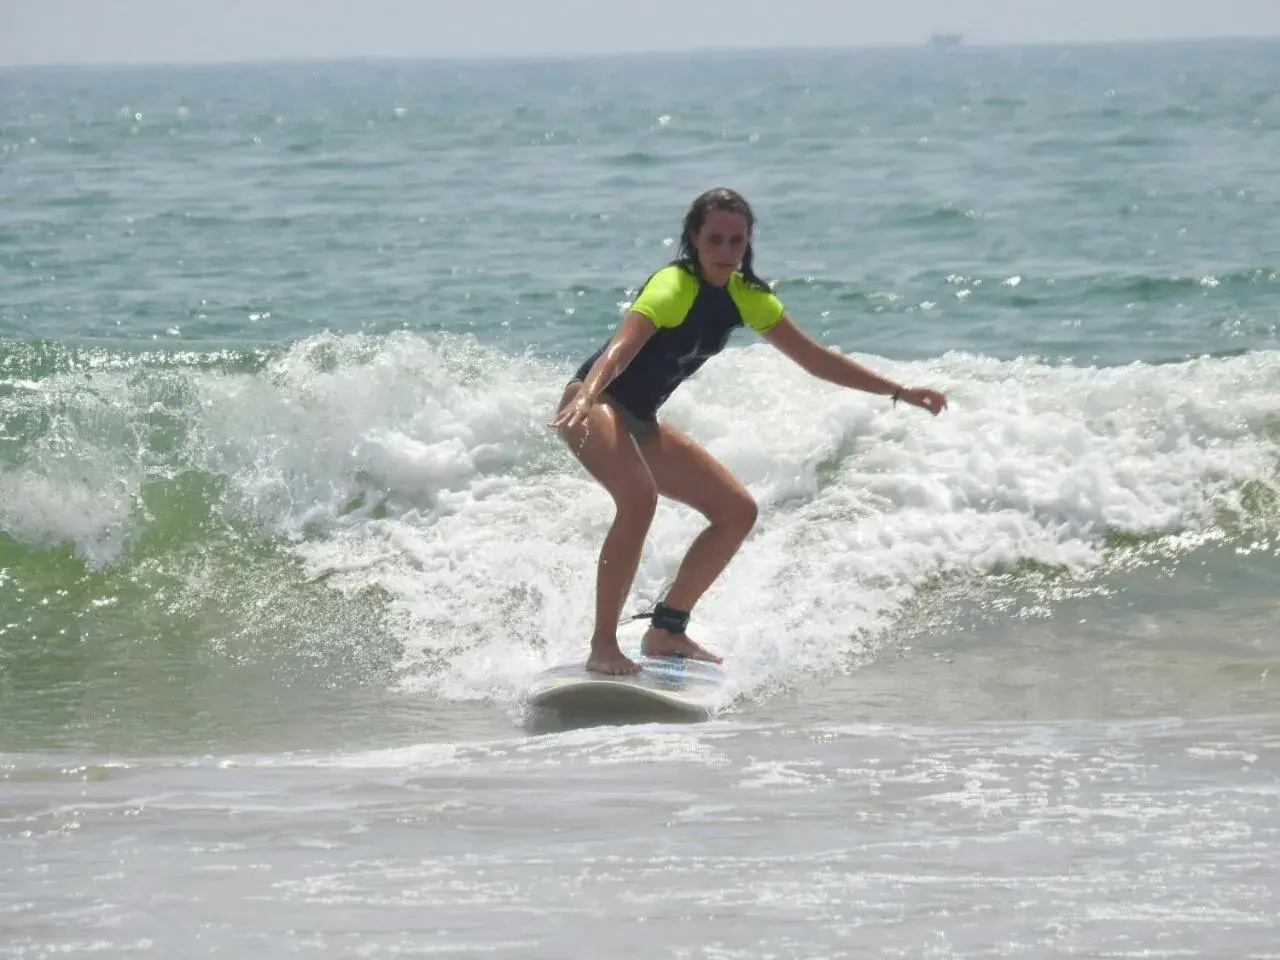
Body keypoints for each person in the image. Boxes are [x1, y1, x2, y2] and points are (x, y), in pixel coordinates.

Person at [549, 187, 948, 676]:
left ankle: (667, 629)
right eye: (714, 239)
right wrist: (589, 393)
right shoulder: (673, 285)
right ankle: (603, 646)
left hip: (638, 417)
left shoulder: (746, 296)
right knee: (639, 498)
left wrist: (900, 390)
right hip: (591, 404)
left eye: (736, 241)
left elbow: (815, 359)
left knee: (735, 511)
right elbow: (621, 347)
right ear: (694, 238)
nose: (725, 251)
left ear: (748, 242)